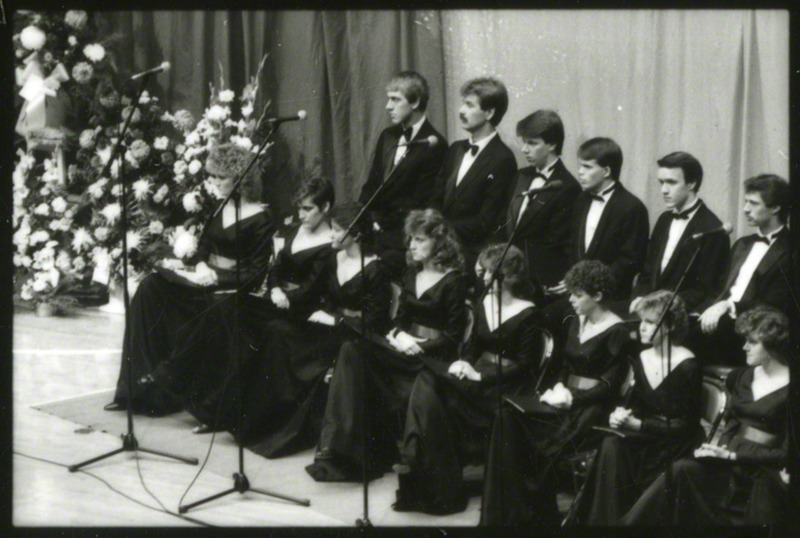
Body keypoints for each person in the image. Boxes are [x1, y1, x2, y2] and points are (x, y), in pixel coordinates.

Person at [104, 143, 273, 415]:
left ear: (242, 179)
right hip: (202, 279)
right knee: (150, 287)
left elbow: (255, 273)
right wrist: (202, 264)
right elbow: (203, 246)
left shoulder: (261, 217)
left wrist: (216, 277)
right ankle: (132, 390)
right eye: (213, 176)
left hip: (227, 290)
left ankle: (161, 395)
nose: (214, 182)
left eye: (221, 177)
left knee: (202, 307)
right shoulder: (219, 206)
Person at [306, 208, 466, 482]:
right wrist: (399, 336)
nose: (411, 245)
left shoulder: (454, 281)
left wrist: (419, 346)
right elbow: (400, 320)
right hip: (403, 349)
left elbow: (453, 337)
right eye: (411, 239)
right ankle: (342, 450)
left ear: (438, 243)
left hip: (433, 357)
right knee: (353, 349)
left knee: (356, 349)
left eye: (419, 240)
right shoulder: (411, 273)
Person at [393, 244, 547, 515]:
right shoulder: (484, 302)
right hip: (476, 376)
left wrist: (481, 375)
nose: (484, 279)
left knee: (432, 386)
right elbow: (473, 346)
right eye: (485, 273)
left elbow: (526, 366)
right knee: (429, 379)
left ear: (508, 277)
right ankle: (423, 465)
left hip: (504, 385)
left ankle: (416, 456)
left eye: (490, 274)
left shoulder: (530, 313)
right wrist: (464, 362)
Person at [481, 260, 634, 527]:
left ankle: (537, 519)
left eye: (578, 295)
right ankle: (506, 516)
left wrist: (574, 398)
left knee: (539, 447)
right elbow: (564, 365)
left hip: (591, 409)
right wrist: (560, 386)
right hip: (566, 398)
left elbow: (609, 386)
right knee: (507, 417)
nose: (571, 300)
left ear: (597, 296)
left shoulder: (617, 331)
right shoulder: (575, 320)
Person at [181, 177, 337, 437]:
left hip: (300, 310)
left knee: (244, 326)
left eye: (308, 209)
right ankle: (211, 404)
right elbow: (274, 268)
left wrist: (287, 297)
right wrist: (275, 288)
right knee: (226, 311)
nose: (301, 214)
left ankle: (221, 411)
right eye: (299, 208)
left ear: (326, 207)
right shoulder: (292, 230)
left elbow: (312, 288)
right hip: (276, 299)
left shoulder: (330, 243)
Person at [242, 203, 393, 457]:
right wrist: (320, 313)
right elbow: (326, 297)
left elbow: (376, 321)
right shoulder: (335, 258)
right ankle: (269, 421)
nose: (331, 235)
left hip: (355, 335)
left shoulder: (376, 270)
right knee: (278, 330)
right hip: (330, 328)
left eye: (337, 230)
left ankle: (295, 430)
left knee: (301, 349)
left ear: (355, 235)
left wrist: (336, 321)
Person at [621, 306, 791, 526]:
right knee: (681, 469)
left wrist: (732, 456)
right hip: (728, 459)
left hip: (762, 472)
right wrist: (716, 448)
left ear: (772, 345)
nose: (744, 346)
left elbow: (785, 455)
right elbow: (731, 422)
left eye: (752, 341)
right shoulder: (742, 377)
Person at [575, 290, 704, 524]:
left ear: (670, 326)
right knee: (611, 444)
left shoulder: (688, 365)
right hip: (647, 435)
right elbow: (636, 403)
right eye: (642, 320)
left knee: (619, 450)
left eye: (650, 322)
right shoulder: (642, 356)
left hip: (674, 443)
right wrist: (622, 413)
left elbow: (687, 425)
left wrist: (639, 424)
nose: (642, 327)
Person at [358, 71, 448, 280]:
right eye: (388, 99)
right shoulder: (388, 135)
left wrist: (381, 224)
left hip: (401, 234)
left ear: (415, 102)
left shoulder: (434, 144)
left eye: (395, 100)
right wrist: (365, 218)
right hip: (374, 227)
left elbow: (420, 201)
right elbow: (372, 183)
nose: (388, 106)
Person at [695, 174, 792, 366]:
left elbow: (773, 304)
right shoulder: (742, 244)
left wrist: (728, 307)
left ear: (775, 207)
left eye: (753, 203)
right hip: (720, 318)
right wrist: (699, 311)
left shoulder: (790, 251)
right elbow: (720, 289)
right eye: (746, 202)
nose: (745, 209)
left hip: (752, 327)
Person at [548, 137, 649, 309]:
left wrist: (585, 283)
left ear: (606, 171)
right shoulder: (580, 200)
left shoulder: (632, 207)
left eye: (587, 167)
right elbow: (572, 246)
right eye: (580, 166)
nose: (580, 172)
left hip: (608, 299)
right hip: (577, 295)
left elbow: (629, 261)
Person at [432, 77, 517, 273]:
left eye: (469, 105)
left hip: (469, 253)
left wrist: (442, 230)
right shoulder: (455, 149)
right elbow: (436, 196)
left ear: (489, 113)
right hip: (440, 244)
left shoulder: (502, 159)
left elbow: (487, 221)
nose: (461, 111)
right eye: (463, 104)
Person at [630, 152, 729, 314]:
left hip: (678, 316)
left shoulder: (713, 229)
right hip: (648, 313)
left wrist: (662, 306)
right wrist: (639, 296)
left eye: (671, 182)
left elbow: (706, 290)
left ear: (691, 183)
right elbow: (648, 271)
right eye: (661, 182)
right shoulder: (664, 219)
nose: (663, 190)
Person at [505, 110, 580, 298]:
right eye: (524, 142)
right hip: (511, 276)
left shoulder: (567, 187)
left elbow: (560, 246)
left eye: (532, 143)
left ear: (552, 144)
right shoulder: (520, 176)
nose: (524, 149)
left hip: (540, 283)